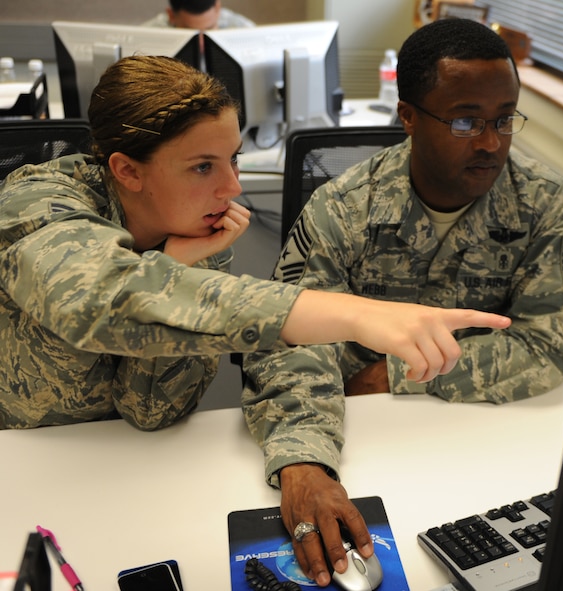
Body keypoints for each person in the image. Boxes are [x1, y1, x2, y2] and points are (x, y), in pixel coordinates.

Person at [241, 17, 563, 587]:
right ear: (407, 117)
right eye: (465, 120)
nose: (492, 142)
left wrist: (397, 374)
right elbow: (285, 341)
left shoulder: (543, 205)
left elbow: (548, 348)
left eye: (505, 119)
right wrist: (303, 461)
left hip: (481, 443)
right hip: (360, 439)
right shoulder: (343, 209)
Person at [0, 54, 510, 432]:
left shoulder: (202, 229)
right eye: (203, 167)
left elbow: (151, 411)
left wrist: (177, 266)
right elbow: (92, 301)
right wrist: (354, 314)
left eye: (234, 159)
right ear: (127, 170)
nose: (233, 188)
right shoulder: (38, 203)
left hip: (116, 463)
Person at [142, 0, 254, 29]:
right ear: (171, 16)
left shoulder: (243, 30)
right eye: (191, 32)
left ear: (218, 9)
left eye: (209, 29)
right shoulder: (147, 36)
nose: (201, 43)